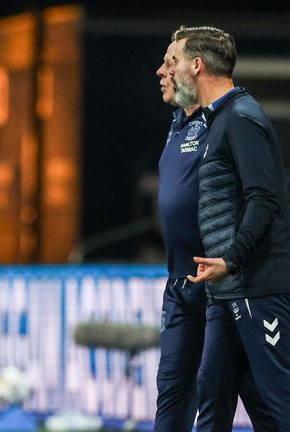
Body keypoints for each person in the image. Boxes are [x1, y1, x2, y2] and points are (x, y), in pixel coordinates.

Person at [175, 26, 290, 430]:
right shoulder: (218, 120)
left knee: (278, 402)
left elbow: (265, 198)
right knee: (212, 392)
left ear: (197, 65)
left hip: (259, 286)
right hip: (227, 289)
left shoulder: (242, 117)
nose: (170, 72)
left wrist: (232, 258)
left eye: (175, 63)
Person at [152, 40, 208, 432]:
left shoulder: (227, 121)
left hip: (218, 285)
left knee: (251, 394)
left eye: (170, 62)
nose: (161, 71)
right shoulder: (178, 124)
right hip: (179, 286)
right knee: (170, 395)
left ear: (195, 67)